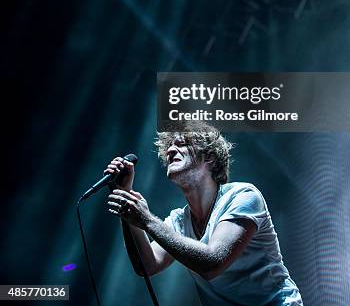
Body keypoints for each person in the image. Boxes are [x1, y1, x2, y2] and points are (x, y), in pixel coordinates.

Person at [105, 123, 303, 305]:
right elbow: (146, 266)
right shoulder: (179, 220)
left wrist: (147, 220)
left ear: (209, 156)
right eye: (169, 147)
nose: (171, 150)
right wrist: (125, 196)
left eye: (181, 144)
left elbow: (212, 263)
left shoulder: (243, 196)